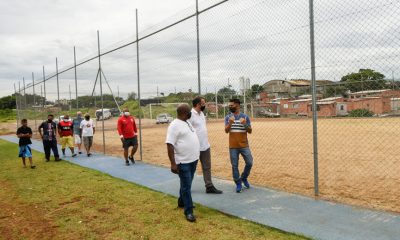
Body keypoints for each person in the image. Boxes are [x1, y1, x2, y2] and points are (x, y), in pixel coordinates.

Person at [166, 104, 199, 222]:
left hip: (193, 159)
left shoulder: (186, 122)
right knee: (186, 186)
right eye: (189, 111)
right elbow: (170, 144)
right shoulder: (174, 125)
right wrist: (173, 163)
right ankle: (188, 211)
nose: (191, 113)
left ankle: (181, 201)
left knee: (187, 183)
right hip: (183, 161)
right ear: (184, 112)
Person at [189, 96, 222, 194]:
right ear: (198, 104)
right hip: (194, 147)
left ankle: (209, 186)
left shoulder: (202, 114)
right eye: (203, 103)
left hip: (205, 146)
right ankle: (186, 187)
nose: (205, 105)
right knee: (191, 168)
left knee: (207, 167)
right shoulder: (190, 115)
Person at [224, 98, 253, 193]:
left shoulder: (245, 117)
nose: (230, 107)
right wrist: (230, 123)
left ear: (238, 105)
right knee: (234, 165)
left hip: (244, 145)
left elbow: (250, 131)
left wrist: (245, 124)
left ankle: (244, 177)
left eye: (232, 105)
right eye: (229, 105)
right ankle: (238, 183)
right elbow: (226, 131)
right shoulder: (228, 117)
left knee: (249, 162)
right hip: (233, 146)